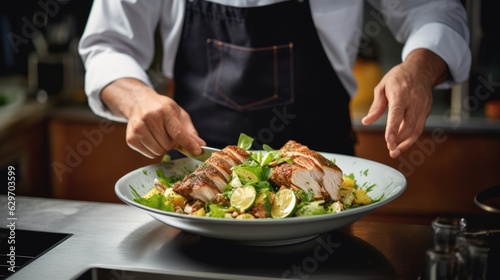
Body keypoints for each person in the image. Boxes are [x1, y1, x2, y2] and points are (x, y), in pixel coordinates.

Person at [78, 0, 471, 159]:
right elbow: (107, 45)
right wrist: (137, 99)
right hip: (195, 182)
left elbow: (434, 10)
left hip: (324, 193)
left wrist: (419, 69)